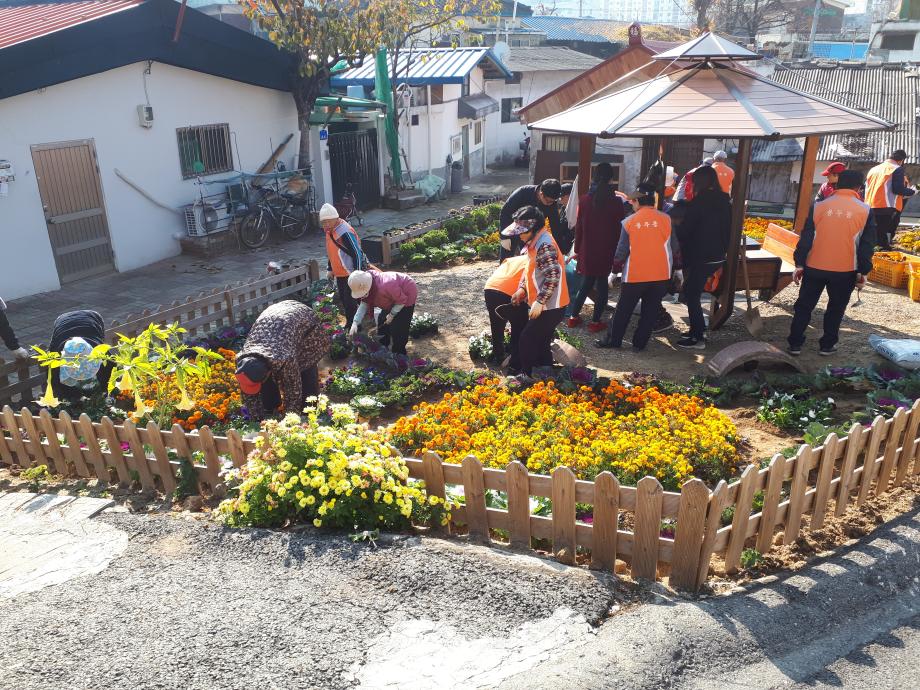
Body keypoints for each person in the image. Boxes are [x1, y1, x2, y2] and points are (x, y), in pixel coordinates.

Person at [787, 170, 876, 356]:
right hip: (845, 270)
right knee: (836, 308)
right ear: (859, 188)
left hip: (815, 266)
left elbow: (806, 238)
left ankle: (795, 343)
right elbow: (866, 245)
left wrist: (800, 264)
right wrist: (863, 271)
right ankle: (827, 345)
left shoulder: (819, 205)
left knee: (804, 306)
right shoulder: (866, 210)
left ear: (837, 185)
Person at [596, 183, 681, 351]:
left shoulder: (629, 222)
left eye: (632, 202)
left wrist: (614, 272)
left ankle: (614, 341)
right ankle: (639, 344)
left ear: (637, 201)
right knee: (650, 312)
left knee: (623, 310)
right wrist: (678, 269)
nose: (631, 205)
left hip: (635, 274)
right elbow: (675, 247)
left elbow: (621, 251)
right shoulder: (666, 219)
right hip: (660, 274)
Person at [235, 300, 331, 421]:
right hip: (276, 323)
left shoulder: (285, 359)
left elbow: (293, 393)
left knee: (305, 372)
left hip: (305, 324)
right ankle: (270, 408)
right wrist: (256, 419)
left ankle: (308, 412)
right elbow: (248, 395)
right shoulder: (241, 361)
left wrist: (290, 422)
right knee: (265, 386)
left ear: (267, 373)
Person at [673, 165, 731, 350]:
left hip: (701, 256)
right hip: (718, 255)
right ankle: (697, 330)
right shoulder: (725, 201)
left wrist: (674, 231)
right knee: (693, 291)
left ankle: (697, 337)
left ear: (698, 182)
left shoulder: (698, 203)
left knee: (691, 293)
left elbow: (685, 231)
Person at [505, 206, 568, 375]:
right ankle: (545, 368)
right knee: (542, 338)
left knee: (527, 339)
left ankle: (526, 375)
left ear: (533, 228)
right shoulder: (534, 243)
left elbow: (553, 275)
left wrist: (540, 302)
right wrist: (521, 290)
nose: (519, 235)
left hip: (551, 305)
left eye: (522, 232)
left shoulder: (544, 245)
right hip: (545, 303)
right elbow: (530, 271)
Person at [566, 162, 625, 333]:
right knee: (602, 286)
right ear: (611, 178)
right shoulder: (616, 202)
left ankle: (573, 318)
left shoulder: (584, 200)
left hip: (587, 249)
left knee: (586, 284)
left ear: (594, 176)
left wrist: (577, 250)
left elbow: (579, 228)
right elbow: (620, 230)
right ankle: (595, 322)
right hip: (607, 250)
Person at [348, 269, 418, 356]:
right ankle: (383, 346)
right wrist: (355, 322)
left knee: (398, 328)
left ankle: (399, 354)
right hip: (391, 296)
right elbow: (364, 304)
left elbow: (401, 300)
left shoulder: (386, 284)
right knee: (382, 320)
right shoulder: (371, 288)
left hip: (406, 292)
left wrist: (392, 314)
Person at [48, 310, 113, 401]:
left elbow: (111, 369)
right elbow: (54, 380)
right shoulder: (57, 356)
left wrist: (105, 391)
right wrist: (71, 397)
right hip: (62, 322)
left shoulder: (99, 349)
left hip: (92, 318)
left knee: (103, 369)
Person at [320, 202, 366, 329]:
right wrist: (330, 268)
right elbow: (332, 251)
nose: (325, 224)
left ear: (335, 218)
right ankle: (355, 323)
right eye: (323, 222)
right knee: (345, 300)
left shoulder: (344, 231)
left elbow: (356, 253)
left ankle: (354, 325)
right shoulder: (329, 231)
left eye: (328, 221)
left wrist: (357, 274)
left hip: (350, 273)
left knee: (350, 301)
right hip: (340, 273)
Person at [499, 179, 565, 261]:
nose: (550, 204)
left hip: (531, 235)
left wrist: (560, 251)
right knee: (506, 259)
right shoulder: (523, 193)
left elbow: (556, 226)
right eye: (548, 201)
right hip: (513, 229)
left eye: (553, 201)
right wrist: (504, 237)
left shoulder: (552, 203)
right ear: (541, 194)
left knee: (528, 260)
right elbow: (505, 213)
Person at [483, 255, 529, 368]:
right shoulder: (534, 260)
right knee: (519, 325)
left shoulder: (512, 259)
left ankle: (498, 355)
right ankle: (515, 358)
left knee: (496, 324)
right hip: (511, 291)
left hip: (491, 287)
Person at [865, 149, 915, 249]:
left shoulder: (874, 169)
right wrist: (912, 191)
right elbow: (897, 189)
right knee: (883, 235)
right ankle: (883, 254)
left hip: (869, 205)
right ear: (902, 160)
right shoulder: (897, 168)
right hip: (885, 206)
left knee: (873, 234)